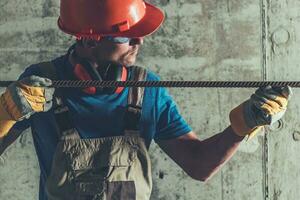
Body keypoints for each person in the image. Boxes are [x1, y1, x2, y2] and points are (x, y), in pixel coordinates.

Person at [0, 0, 292, 199]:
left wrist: (242, 127)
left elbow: (199, 165)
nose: (140, 41)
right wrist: (6, 112)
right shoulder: (39, 86)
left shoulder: (146, 89)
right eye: (127, 36)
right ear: (89, 40)